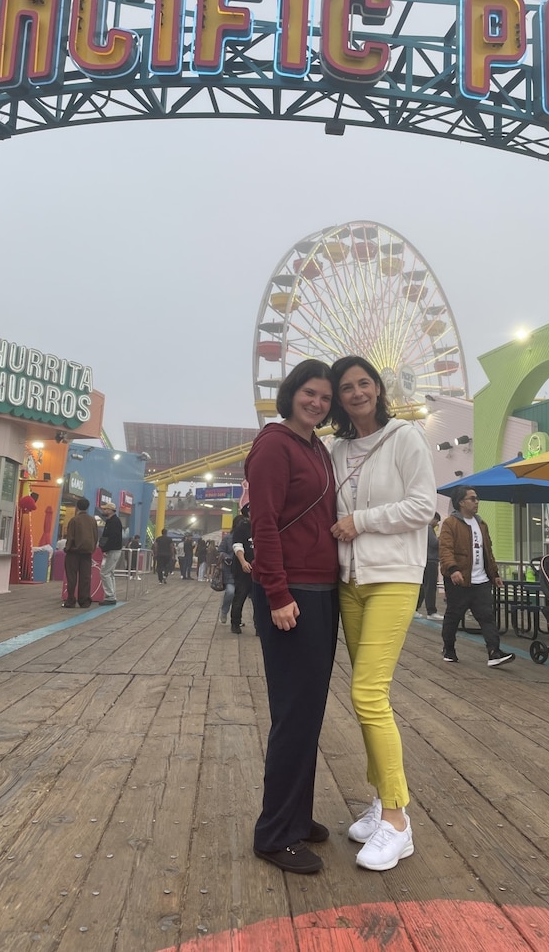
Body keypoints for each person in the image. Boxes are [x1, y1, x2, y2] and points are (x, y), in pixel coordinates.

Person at [329, 355, 436, 872]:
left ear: (378, 388)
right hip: (350, 582)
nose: (356, 393)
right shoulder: (337, 449)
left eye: (363, 383)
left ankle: (397, 821)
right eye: (345, 386)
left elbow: (423, 506)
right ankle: (379, 800)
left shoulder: (405, 437)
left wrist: (361, 521)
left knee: (367, 692)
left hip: (393, 578)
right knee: (368, 694)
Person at [246, 359, 339, 876]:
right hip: (291, 594)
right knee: (293, 714)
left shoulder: (316, 447)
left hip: (321, 591)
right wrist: (278, 593)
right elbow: (264, 522)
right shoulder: (274, 445)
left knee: (309, 713)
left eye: (325, 397)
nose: (318, 403)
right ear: (291, 393)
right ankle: (275, 833)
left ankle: (297, 817)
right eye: (310, 393)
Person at [439, 486, 516, 668]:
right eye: (472, 498)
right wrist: (453, 569)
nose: (476, 502)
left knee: (487, 617)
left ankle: (494, 652)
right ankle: (449, 649)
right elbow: (445, 549)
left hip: (481, 581)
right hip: (459, 580)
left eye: (477, 498)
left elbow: (487, 551)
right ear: (461, 502)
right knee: (453, 616)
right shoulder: (450, 523)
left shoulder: (481, 524)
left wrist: (494, 573)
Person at [63, 497, 99, 608]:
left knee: (72, 577)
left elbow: (70, 537)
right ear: (87, 507)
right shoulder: (92, 520)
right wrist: (92, 548)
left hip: (73, 552)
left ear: (77, 507)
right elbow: (96, 536)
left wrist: (67, 548)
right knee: (85, 577)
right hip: (87, 553)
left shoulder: (74, 520)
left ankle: (70, 600)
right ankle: (84, 601)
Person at [229, 505, 254, 634]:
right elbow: (237, 545)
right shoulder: (242, 528)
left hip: (259, 570)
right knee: (240, 596)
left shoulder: (262, 525)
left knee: (259, 599)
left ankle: (259, 626)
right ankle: (235, 623)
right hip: (242, 569)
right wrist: (243, 562)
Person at [414, 512, 442, 621]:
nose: (437, 524)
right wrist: (442, 537)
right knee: (430, 586)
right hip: (431, 560)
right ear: (432, 519)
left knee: (424, 585)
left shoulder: (423, 528)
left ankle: (415, 608)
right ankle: (431, 611)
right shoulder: (429, 528)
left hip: (425, 560)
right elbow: (434, 544)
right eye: (437, 521)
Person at [98, 502, 124, 604]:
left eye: (105, 509)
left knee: (104, 573)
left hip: (113, 550)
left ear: (110, 510)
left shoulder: (113, 522)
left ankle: (110, 596)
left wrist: (105, 549)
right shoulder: (113, 521)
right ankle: (112, 594)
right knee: (110, 573)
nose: (104, 511)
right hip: (114, 549)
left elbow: (112, 537)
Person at [217, 530, 235, 624]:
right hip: (230, 570)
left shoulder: (249, 536)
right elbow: (220, 551)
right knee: (230, 592)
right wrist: (227, 557)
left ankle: (236, 619)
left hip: (245, 571)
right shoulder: (228, 538)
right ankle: (224, 611)